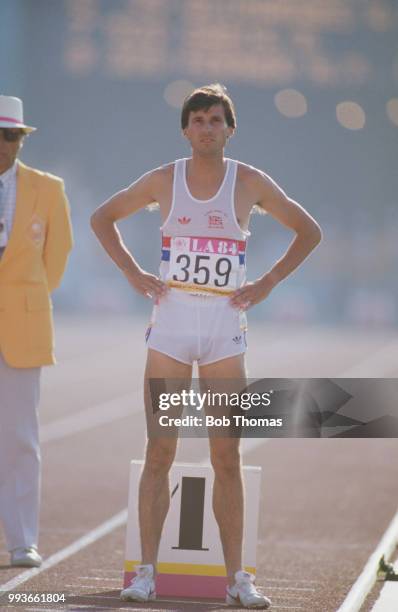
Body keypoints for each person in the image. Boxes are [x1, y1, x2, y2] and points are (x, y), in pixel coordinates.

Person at [91, 83, 322, 608]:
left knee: (226, 454)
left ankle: (237, 578)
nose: (206, 128)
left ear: (230, 129)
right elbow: (102, 217)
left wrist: (268, 282)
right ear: (185, 129)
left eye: (215, 120)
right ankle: (146, 573)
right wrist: (131, 272)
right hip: (171, 326)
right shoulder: (164, 179)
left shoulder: (249, 183)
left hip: (224, 329)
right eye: (197, 120)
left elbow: (309, 231)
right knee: (160, 450)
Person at [0, 95, 73, 567]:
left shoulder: (48, 188)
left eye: (13, 137)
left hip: (22, 328)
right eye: (2, 135)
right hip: (23, 320)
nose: (7, 145)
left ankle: (22, 539)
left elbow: (59, 257)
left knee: (21, 437)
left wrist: (25, 299)